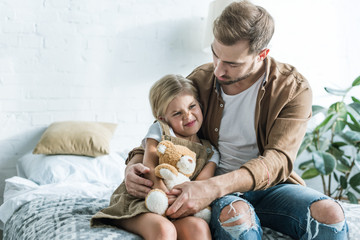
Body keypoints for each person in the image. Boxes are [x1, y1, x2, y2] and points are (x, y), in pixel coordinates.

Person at [123, 1, 348, 239]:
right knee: (237, 218)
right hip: (217, 191)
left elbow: (278, 159)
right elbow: (162, 133)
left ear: (262, 54)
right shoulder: (200, 80)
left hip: (271, 188)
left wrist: (211, 188)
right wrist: (132, 166)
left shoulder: (292, 89)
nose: (218, 70)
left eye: (232, 63)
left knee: (330, 214)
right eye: (215, 55)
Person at [91, 74, 220, 240]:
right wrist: (161, 193)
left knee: (199, 227)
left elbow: (199, 185)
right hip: (142, 201)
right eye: (177, 113)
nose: (188, 116)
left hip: (178, 205)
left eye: (192, 106)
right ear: (162, 118)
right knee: (164, 230)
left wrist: (175, 200)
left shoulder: (211, 152)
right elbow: (150, 165)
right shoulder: (160, 130)